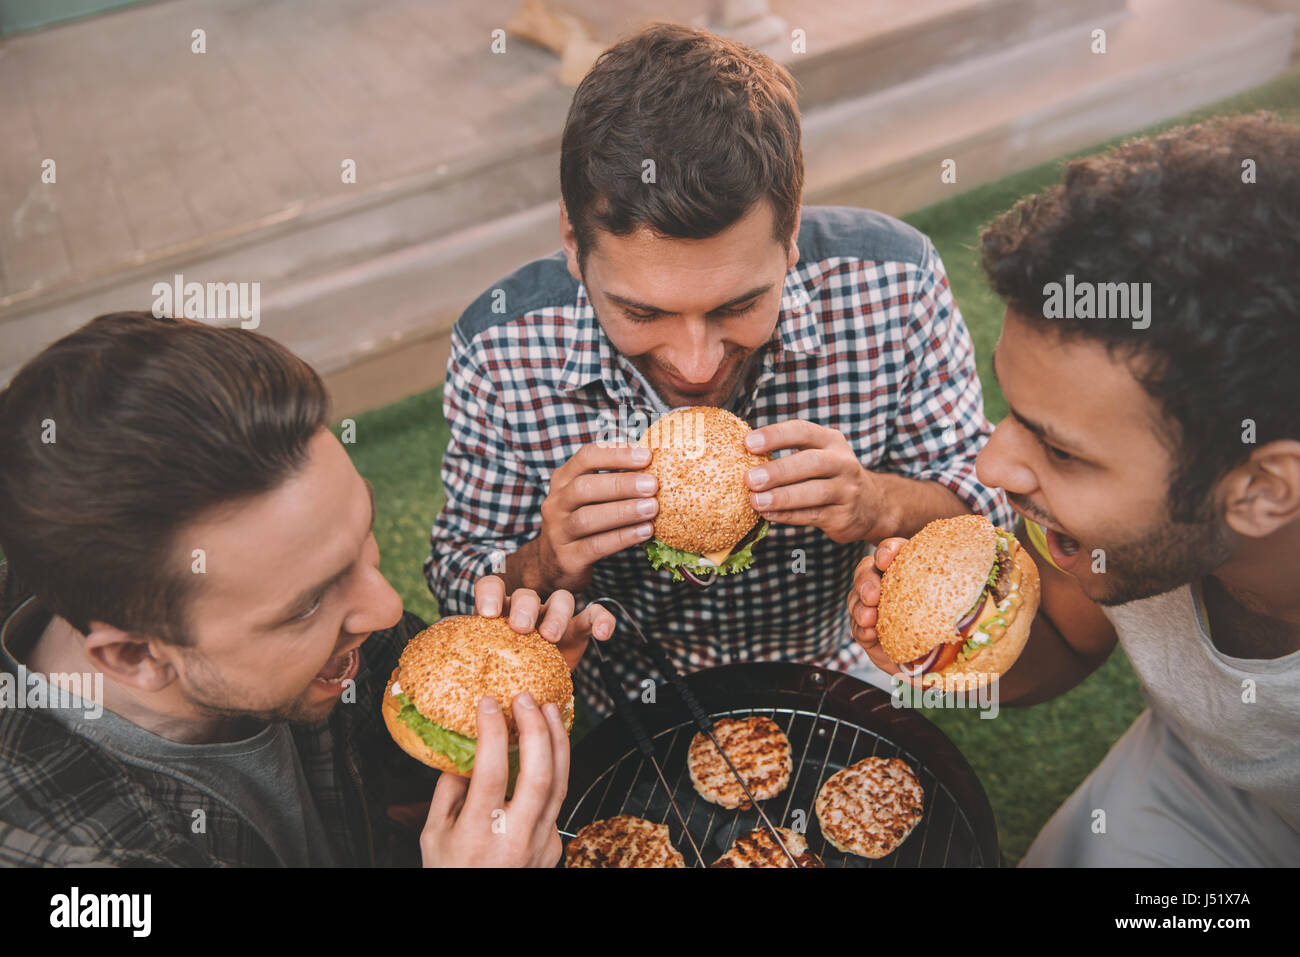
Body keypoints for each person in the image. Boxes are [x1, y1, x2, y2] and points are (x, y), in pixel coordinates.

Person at [425, 22, 1011, 719]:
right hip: (623, 705)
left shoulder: (894, 285)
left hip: (836, 667)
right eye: (643, 313)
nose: (696, 364)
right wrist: (546, 560)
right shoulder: (502, 346)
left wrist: (879, 504)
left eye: (739, 304)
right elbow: (460, 580)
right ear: (573, 242)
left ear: (791, 231)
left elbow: (992, 515)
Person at [0, 311, 614, 867]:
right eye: (307, 604)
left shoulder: (323, 632)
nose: (386, 608)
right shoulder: (69, 857)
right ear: (136, 655)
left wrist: (494, 709)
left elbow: (400, 774)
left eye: (363, 534)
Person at [848, 113, 1300, 866]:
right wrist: (949, 651)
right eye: (1015, 415)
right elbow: (1055, 634)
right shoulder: (1114, 541)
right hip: (1203, 774)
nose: (992, 468)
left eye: (1058, 447)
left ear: (1260, 488)